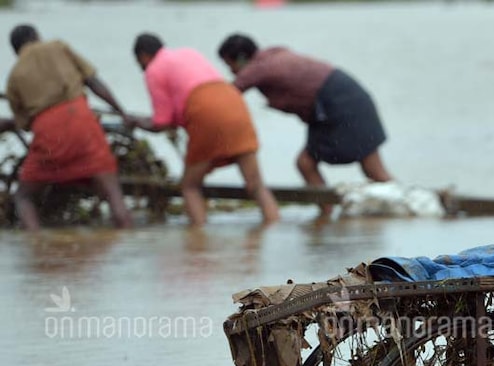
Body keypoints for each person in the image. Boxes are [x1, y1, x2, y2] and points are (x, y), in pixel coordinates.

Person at [217, 33, 392, 221]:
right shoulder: (272, 55)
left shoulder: (258, 68)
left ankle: (326, 214)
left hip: (337, 104)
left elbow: (229, 94)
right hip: (345, 98)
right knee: (366, 167)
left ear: (242, 59)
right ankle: (330, 211)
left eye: (230, 65)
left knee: (362, 168)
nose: (232, 72)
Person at [128, 33, 280, 226]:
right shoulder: (188, 52)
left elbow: (162, 122)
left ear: (143, 56)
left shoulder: (153, 70)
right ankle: (273, 226)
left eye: (139, 62)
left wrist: (136, 121)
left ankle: (199, 240)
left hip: (205, 111)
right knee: (256, 184)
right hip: (233, 101)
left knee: (190, 186)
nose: (141, 68)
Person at [1, 24, 133, 230]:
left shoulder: (14, 77)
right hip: (82, 119)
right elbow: (93, 81)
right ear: (37, 37)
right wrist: (121, 111)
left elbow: (24, 124)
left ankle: (37, 242)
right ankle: (126, 232)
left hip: (48, 131)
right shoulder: (58, 47)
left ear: (15, 50)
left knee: (24, 196)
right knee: (111, 188)